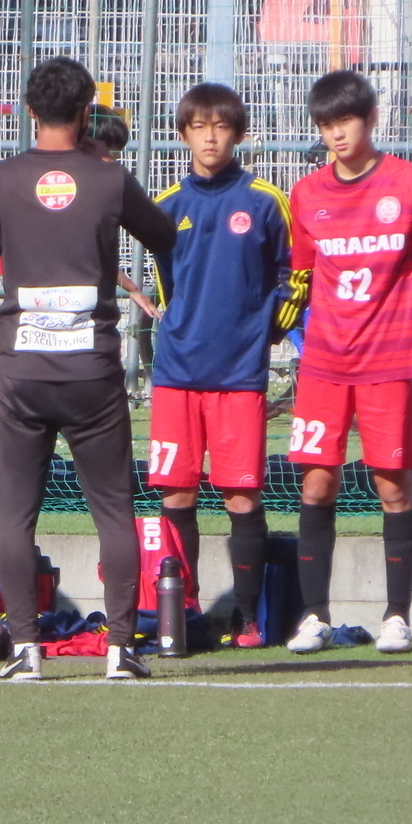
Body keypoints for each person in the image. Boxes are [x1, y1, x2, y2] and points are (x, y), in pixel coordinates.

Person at [0, 57, 177, 682]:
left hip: (23, 370)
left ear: (30, 111)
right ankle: (119, 649)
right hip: (93, 373)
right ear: (87, 112)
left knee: (14, 514)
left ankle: (24, 648)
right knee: (113, 508)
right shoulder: (109, 179)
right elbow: (163, 235)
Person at [284, 70, 412, 656]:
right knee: (317, 484)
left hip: (388, 358)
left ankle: (397, 616)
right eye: (326, 126)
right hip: (324, 362)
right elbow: (305, 268)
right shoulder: (307, 193)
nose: (337, 134)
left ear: (371, 119)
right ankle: (314, 616)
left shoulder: (409, 181)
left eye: (346, 121)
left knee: (392, 483)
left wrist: (393, 314)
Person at [146, 83, 300, 648]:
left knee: (241, 496)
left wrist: (272, 325)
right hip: (177, 373)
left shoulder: (264, 200)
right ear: (184, 133)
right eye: (199, 126)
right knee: (176, 494)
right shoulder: (166, 205)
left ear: (238, 133)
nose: (210, 136)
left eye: (221, 126)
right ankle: (181, 611)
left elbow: (294, 271)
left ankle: (246, 615)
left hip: (239, 375)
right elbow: (167, 281)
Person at [82, 104, 161, 323]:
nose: (111, 161)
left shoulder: (105, 191)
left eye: (116, 155)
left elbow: (95, 256)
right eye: (106, 152)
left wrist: (132, 288)